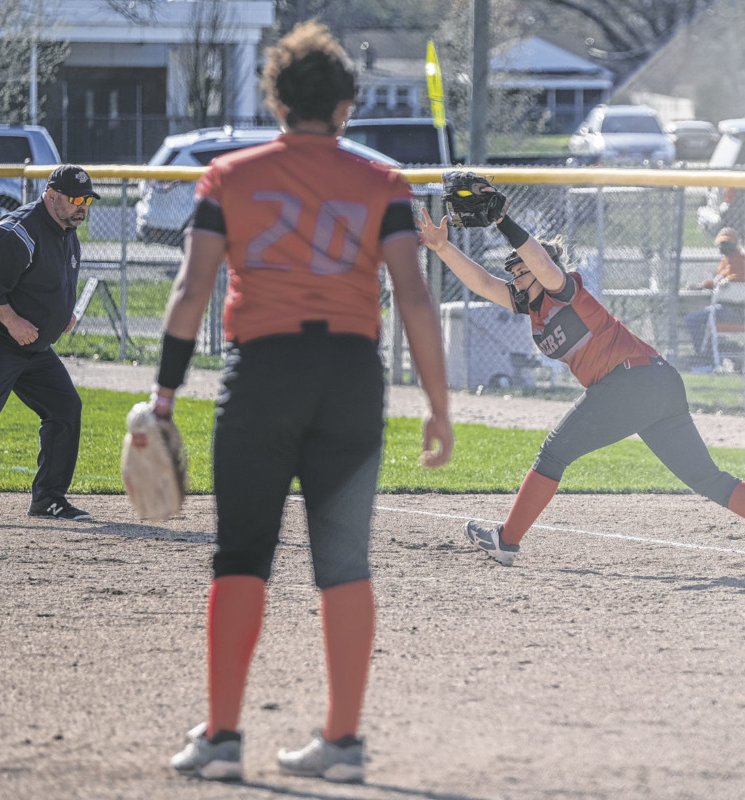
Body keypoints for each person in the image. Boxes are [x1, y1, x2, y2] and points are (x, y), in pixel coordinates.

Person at [162, 22, 453, 784]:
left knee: (241, 555)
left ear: (276, 101)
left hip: (263, 372)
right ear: (346, 107)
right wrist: (439, 404)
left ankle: (223, 738)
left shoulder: (228, 175)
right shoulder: (384, 182)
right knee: (345, 561)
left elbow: (191, 290)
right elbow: (414, 297)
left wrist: (164, 392)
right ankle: (343, 743)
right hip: (350, 376)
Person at [417, 184, 745, 571]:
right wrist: (442, 247)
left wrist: (503, 220)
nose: (516, 279)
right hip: (653, 383)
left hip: (631, 382)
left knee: (554, 453)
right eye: (515, 274)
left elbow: (540, 263)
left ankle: (506, 542)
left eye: (521, 271)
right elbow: (483, 283)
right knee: (705, 477)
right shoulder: (532, 307)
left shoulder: (563, 288)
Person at [0, 164, 100, 523]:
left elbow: (48, 282)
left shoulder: (67, 231)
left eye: (87, 200)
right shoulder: (17, 231)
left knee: (65, 407)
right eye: (75, 199)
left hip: (29, 342)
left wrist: (62, 313)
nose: (82, 207)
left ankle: (48, 500)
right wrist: (12, 321)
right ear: (51, 196)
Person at [684, 226, 745, 360]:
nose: (724, 246)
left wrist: (727, 281)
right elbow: (718, 281)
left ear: (736, 244)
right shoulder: (725, 261)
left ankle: (704, 355)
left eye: (728, 243)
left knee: (691, 319)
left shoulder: (742, 260)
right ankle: (724, 350)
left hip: (736, 311)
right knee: (702, 317)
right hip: (731, 312)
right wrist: (701, 285)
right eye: (722, 243)